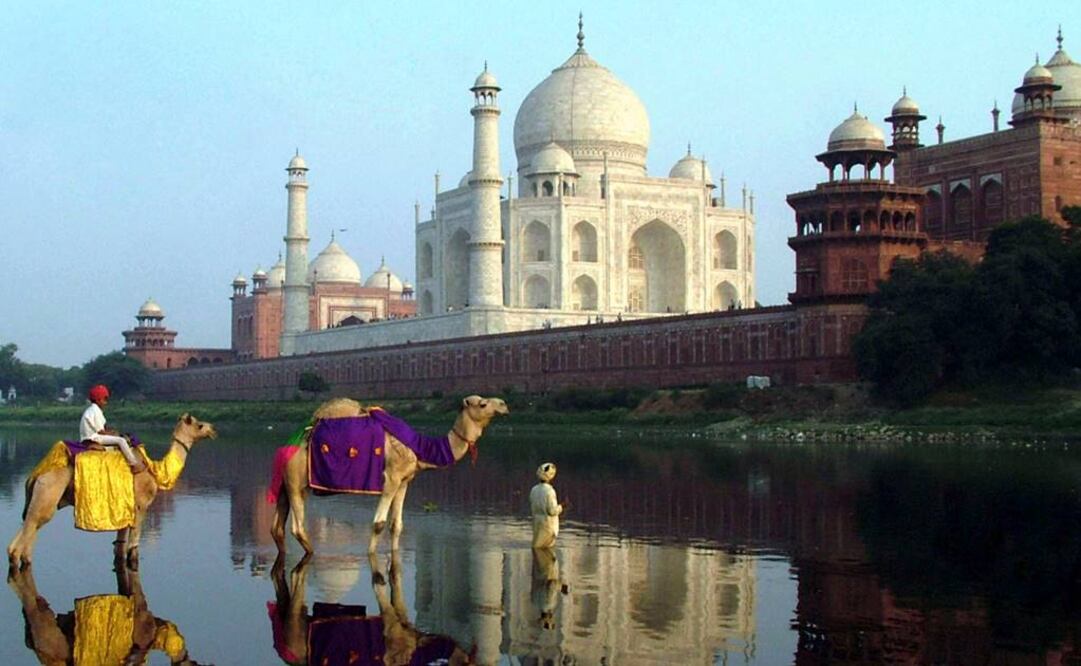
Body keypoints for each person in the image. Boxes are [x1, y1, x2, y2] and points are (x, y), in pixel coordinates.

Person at [80, 384, 143, 470]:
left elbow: (103, 428)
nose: (106, 402)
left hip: (91, 436)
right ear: (98, 400)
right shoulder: (95, 411)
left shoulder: (92, 410)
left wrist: (112, 432)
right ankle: (133, 464)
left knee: (117, 437)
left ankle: (110, 451)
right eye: (105, 399)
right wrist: (115, 434)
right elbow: (101, 431)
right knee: (121, 440)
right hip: (93, 438)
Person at [529, 462, 563, 549]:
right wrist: (562, 506)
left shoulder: (534, 489)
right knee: (546, 553)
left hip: (536, 524)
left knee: (536, 548)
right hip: (548, 526)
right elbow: (552, 511)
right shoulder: (550, 491)